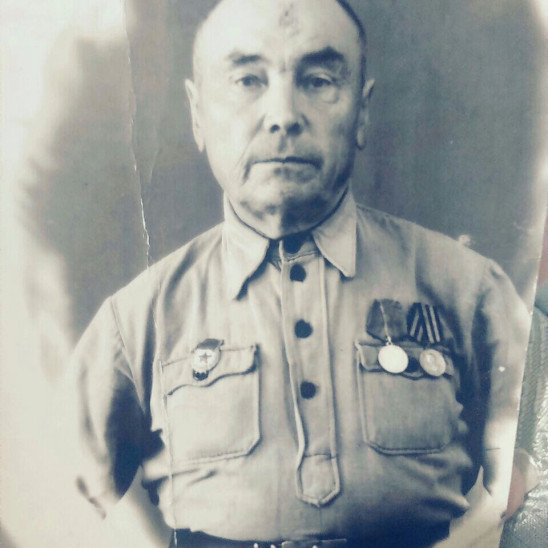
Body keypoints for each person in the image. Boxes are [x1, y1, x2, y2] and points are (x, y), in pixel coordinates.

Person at [66, 0, 530, 546]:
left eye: (318, 81)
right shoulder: (134, 321)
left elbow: (526, 484)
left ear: (362, 111)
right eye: (247, 80)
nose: (283, 115)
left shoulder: (470, 291)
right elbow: (62, 504)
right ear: (197, 114)